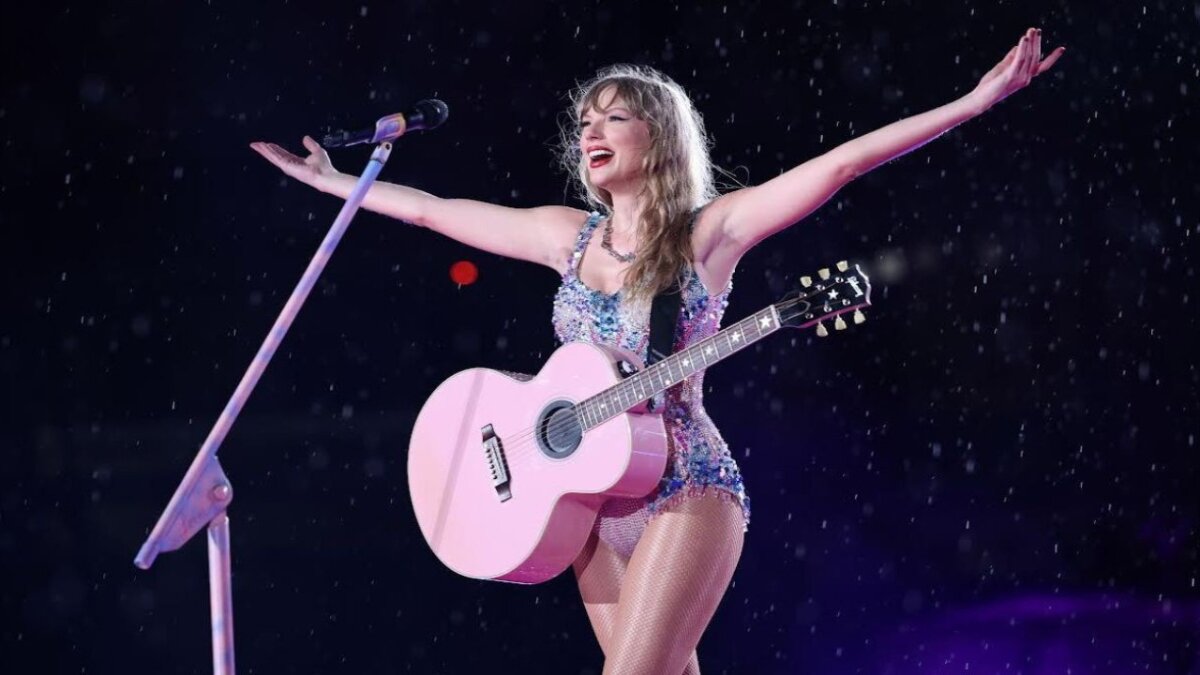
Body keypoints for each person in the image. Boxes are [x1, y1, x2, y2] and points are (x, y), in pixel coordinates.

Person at [250, 28, 1063, 674]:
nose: (590, 131)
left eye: (613, 117)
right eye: (584, 122)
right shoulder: (567, 236)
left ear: (659, 136)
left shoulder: (709, 234)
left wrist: (973, 102)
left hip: (684, 485)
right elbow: (433, 211)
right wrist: (333, 183)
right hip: (588, 502)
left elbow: (844, 164)